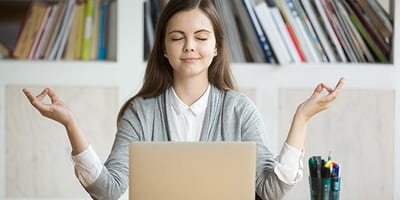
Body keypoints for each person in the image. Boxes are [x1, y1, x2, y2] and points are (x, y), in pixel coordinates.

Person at [22, 0, 344, 199]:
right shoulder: (141, 112)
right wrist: (70, 123)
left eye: (201, 38)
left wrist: (301, 118)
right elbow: (108, 192)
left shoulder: (239, 110)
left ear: (216, 46)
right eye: (177, 38)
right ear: (164, 48)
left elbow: (271, 191)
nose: (190, 46)